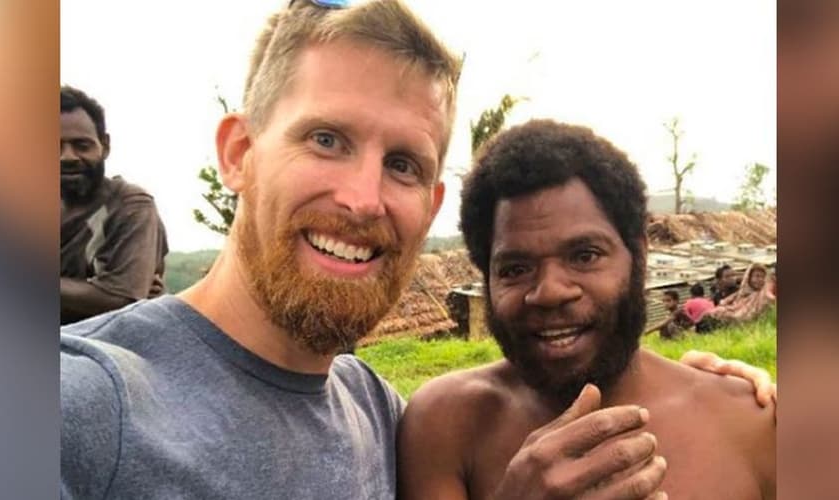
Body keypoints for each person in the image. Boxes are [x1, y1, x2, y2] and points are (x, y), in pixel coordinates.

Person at [61, 3, 773, 499]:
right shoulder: (87, 404)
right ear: (241, 152)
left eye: (403, 163)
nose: (364, 199)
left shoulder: (376, 414)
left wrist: (722, 390)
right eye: (327, 139)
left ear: (429, 204)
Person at [397, 120, 775, 499]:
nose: (549, 292)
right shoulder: (444, 427)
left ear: (639, 255)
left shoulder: (751, 424)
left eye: (585, 255)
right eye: (515, 269)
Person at [60, 86, 168, 324]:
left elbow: (123, 298)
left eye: (82, 145)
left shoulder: (130, 206)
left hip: (105, 351)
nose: (67, 157)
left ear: (104, 146)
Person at [706, 263, 776, 325]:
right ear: (748, 278)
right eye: (757, 276)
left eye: (762, 277)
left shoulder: (762, 294)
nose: (760, 279)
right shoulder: (739, 294)